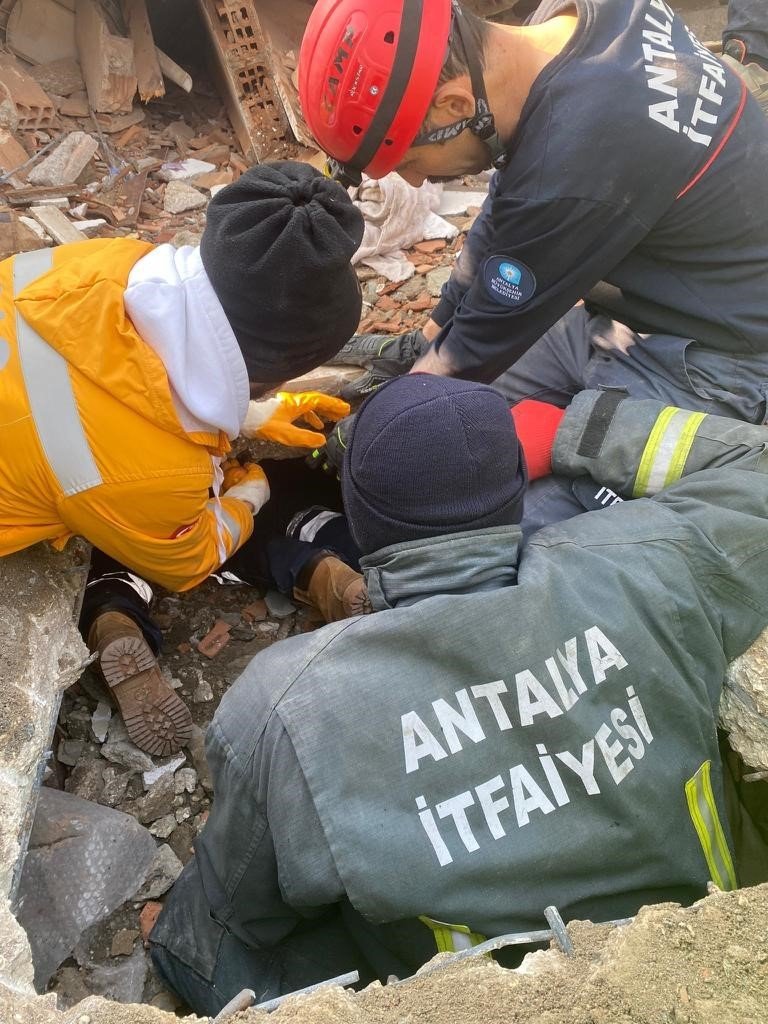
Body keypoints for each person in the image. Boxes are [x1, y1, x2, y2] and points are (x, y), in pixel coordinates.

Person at [150, 373, 768, 1016]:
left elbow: (244, 905)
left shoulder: (286, 705)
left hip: (485, 994)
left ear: (357, 517)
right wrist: (569, 429)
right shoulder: (651, 560)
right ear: (517, 488)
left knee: (203, 926)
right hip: (700, 941)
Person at [299, 0, 768, 529]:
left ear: (455, 105)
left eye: (407, 160)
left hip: (715, 362)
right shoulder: (571, 27)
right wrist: (430, 336)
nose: (412, 181)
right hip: (627, 316)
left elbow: (477, 344)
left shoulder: (577, 162)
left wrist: (377, 427)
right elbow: (505, 204)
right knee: (448, 424)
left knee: (497, 533)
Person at [0, 160, 364, 754]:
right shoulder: (153, 472)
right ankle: (315, 562)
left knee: (107, 519)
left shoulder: (113, 262)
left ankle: (113, 613)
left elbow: (103, 380)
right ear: (271, 372)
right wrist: (249, 495)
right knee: (135, 536)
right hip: (85, 491)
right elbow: (189, 559)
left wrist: (248, 412)